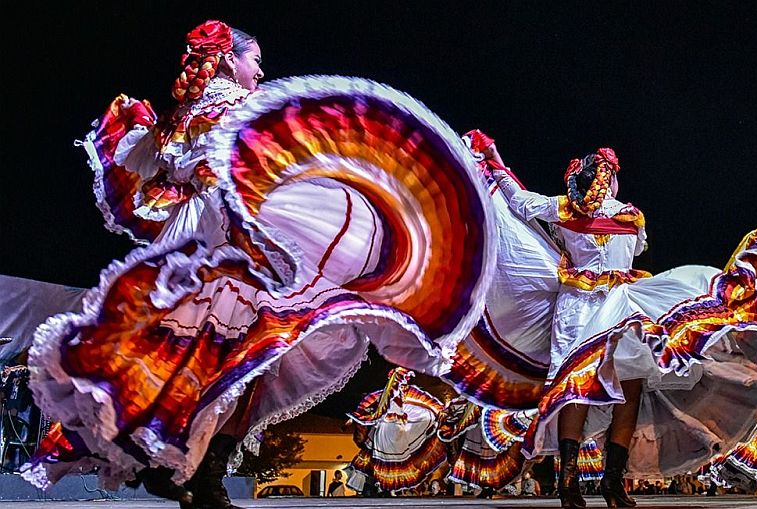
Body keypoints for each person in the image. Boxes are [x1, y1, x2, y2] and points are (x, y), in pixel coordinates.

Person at [20, 19, 495, 509]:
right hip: (228, 247)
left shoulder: (187, 115)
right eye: (255, 59)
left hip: (207, 249)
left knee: (216, 362)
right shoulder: (232, 108)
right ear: (229, 58)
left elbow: (182, 167)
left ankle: (187, 468)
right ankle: (193, 470)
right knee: (240, 361)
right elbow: (255, 165)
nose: (261, 70)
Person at [442, 129, 757, 509]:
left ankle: (571, 485)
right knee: (627, 390)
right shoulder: (631, 216)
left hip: (579, 309)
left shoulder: (563, 210)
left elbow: (516, 197)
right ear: (610, 181)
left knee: (575, 392)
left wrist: (494, 161)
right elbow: (635, 245)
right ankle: (612, 485)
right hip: (620, 306)